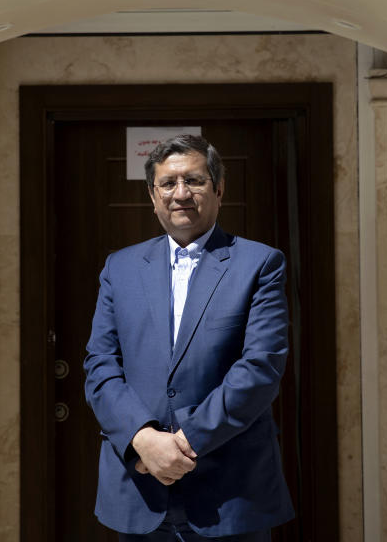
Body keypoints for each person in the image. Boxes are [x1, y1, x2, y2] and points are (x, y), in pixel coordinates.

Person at [84, 134, 294, 541]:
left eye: (194, 181)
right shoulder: (120, 268)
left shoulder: (261, 264)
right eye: (168, 183)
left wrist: (183, 443)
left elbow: (260, 369)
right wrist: (142, 440)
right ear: (152, 195)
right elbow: (100, 365)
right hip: (138, 488)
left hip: (230, 494)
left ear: (218, 188)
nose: (181, 193)